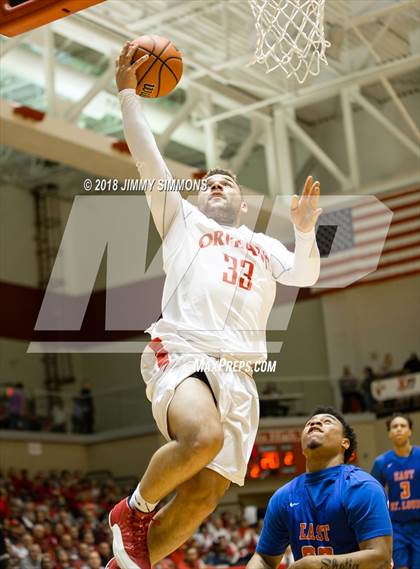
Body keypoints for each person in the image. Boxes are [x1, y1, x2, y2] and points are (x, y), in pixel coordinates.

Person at [108, 41, 322, 569]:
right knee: (201, 436)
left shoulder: (265, 245)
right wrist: (129, 97)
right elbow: (146, 155)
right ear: (200, 198)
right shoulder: (182, 220)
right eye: (209, 184)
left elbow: (305, 273)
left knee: (204, 496)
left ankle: (129, 565)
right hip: (185, 352)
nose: (217, 186)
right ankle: (132, 511)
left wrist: (304, 230)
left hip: (241, 376)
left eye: (227, 183)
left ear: (242, 203)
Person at [247, 407, 392, 569]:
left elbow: (381, 559)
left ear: (345, 443)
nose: (315, 423)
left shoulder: (363, 487)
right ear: (302, 446)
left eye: (327, 421)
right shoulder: (283, 497)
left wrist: (316, 563)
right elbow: (264, 558)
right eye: (309, 423)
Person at [371, 413, 420, 569]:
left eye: (403, 426)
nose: (399, 429)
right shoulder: (381, 462)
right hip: (396, 527)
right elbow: (374, 494)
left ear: (410, 431)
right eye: (394, 427)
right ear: (389, 433)